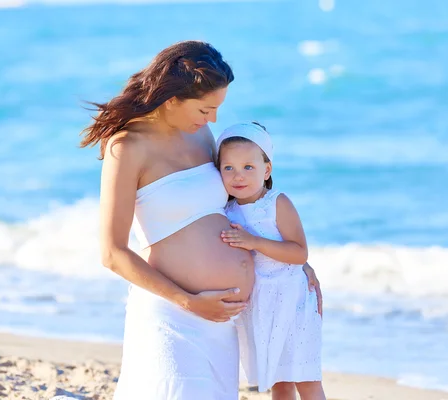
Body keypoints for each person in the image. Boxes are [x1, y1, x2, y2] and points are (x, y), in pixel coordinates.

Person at [79, 41, 323, 400]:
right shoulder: (127, 147)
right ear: (173, 97)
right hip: (172, 314)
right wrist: (186, 301)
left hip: (221, 322)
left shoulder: (201, 134)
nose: (212, 120)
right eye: (206, 108)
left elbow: (242, 205)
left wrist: (293, 260)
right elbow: (112, 253)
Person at [216, 122, 326, 400]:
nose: (238, 176)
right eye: (228, 167)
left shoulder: (276, 203)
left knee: (304, 376)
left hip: (292, 299)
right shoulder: (226, 209)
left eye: (248, 167)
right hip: (260, 303)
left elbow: (299, 253)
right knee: (277, 380)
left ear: (267, 170)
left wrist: (255, 242)